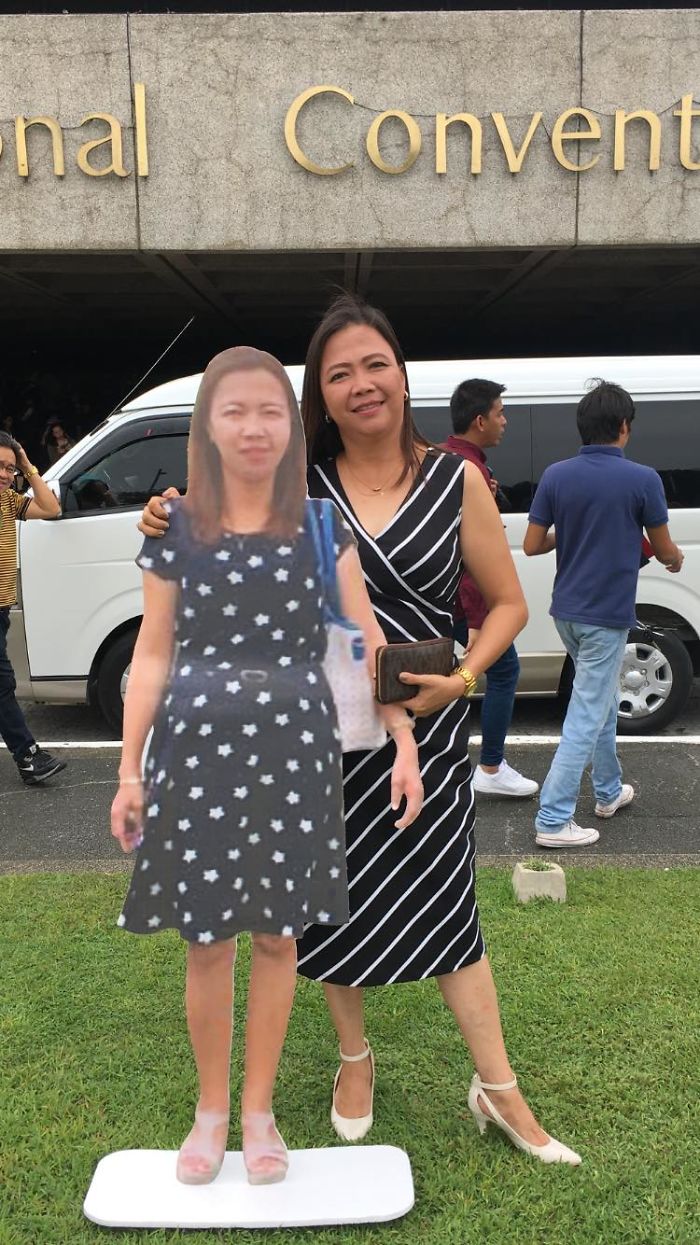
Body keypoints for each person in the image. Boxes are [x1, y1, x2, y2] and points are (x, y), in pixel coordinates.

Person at [140, 298, 582, 1167]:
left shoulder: (456, 481)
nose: (360, 384)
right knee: (329, 917)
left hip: (427, 730)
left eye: (373, 363)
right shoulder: (305, 482)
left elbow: (510, 605)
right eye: (338, 372)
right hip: (313, 732)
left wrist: (455, 684)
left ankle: (499, 1087)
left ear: (402, 371)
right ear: (321, 394)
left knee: (452, 909)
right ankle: (353, 1056)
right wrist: (162, 512)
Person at [112, 346, 422, 1188]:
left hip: (295, 752)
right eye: (234, 411)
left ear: (292, 426)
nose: (253, 427)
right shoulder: (173, 527)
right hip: (195, 755)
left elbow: (367, 642)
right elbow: (151, 653)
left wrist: (402, 736)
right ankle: (210, 1109)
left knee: (278, 938)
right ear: (207, 426)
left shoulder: (323, 526)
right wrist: (129, 769)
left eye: (270, 411)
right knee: (206, 943)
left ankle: (259, 1109)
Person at [524, 380, 684, 848]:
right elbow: (665, 545)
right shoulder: (643, 480)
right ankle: (553, 819)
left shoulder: (556, 475)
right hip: (605, 615)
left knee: (597, 704)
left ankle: (609, 792)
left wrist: (568, 536)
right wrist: (673, 560)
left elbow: (533, 544)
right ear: (623, 426)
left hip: (567, 613)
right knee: (585, 713)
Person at [445, 379, 538, 798]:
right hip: (468, 602)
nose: (505, 421)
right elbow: (468, 555)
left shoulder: (442, 458)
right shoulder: (469, 470)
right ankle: (491, 765)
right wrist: (480, 620)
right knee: (503, 671)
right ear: (480, 420)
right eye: (500, 413)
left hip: (444, 599)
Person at [0, 432, 66, 785]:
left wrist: (28, 467)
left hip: (1, 609)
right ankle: (28, 758)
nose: (5, 474)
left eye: (9, 468)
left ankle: (28, 758)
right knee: (2, 685)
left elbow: (51, 509)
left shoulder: (9, 501)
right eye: (0, 465)